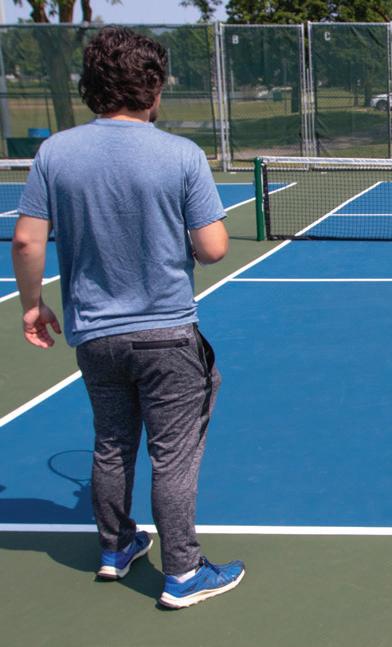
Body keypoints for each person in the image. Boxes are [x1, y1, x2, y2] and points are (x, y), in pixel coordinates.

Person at [11, 27, 244, 609]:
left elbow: (26, 240)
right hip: (167, 336)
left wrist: (33, 305)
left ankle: (116, 547)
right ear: (155, 87)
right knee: (173, 455)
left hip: (95, 338)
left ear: (91, 86)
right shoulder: (182, 155)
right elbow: (214, 249)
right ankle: (183, 572)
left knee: (112, 443)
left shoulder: (53, 153)